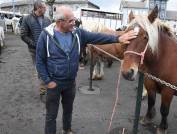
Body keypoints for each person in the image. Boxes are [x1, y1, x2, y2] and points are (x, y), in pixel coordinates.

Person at [36, 6, 136, 134]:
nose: (75, 23)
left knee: (68, 110)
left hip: (70, 82)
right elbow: (39, 62)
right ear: (60, 22)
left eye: (74, 20)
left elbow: (97, 37)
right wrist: (48, 81)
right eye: (71, 21)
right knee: (51, 115)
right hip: (53, 83)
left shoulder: (78, 33)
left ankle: (67, 130)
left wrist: (117, 38)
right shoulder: (45, 36)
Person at [20, 0, 51, 102]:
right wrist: (35, 45)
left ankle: (48, 87)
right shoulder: (27, 19)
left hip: (47, 50)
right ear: (38, 8)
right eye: (44, 8)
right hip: (34, 51)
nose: (46, 9)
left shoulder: (47, 20)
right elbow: (23, 35)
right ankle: (43, 91)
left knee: (48, 68)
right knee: (40, 69)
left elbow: (51, 34)